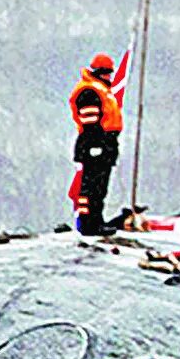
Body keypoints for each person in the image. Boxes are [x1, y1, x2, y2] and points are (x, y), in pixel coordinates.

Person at [69, 51, 125, 233]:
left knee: (100, 186)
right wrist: (95, 145)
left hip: (106, 144)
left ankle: (97, 220)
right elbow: (90, 121)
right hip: (95, 143)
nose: (109, 76)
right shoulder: (89, 91)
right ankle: (88, 223)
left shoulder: (102, 90)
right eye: (106, 72)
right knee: (91, 186)